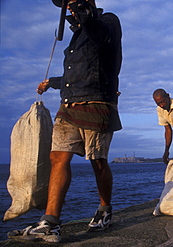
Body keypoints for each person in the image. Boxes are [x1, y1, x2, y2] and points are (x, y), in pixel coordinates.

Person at [8, 0, 122, 243]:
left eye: (73, 5)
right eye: (68, 7)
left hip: (96, 103)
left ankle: (104, 208)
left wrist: (85, 14)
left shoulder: (107, 21)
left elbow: (103, 40)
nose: (70, 11)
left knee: (98, 161)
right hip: (69, 104)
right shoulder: (78, 34)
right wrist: (52, 83)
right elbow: (76, 75)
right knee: (58, 157)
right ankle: (51, 222)